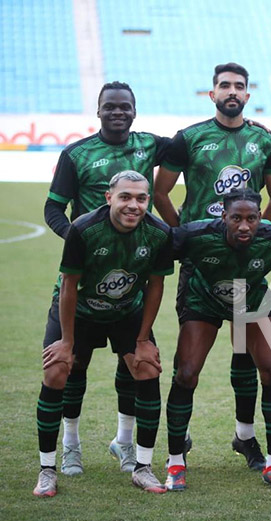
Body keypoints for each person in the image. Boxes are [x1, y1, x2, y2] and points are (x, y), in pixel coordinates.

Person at [154, 62, 271, 471]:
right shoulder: (189, 138)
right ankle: (178, 444)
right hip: (203, 267)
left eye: (239, 86)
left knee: (256, 359)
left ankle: (245, 437)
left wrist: (253, 237)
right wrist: (184, 237)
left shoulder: (265, 140)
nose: (232, 91)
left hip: (246, 269)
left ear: (248, 94)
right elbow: (161, 193)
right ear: (212, 94)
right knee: (187, 367)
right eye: (225, 85)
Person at [42, 82, 172, 476]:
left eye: (125, 107)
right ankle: (70, 445)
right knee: (73, 366)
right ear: (98, 110)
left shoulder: (149, 144)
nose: (118, 112)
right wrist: (79, 240)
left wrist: (250, 125)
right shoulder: (76, 154)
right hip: (86, 277)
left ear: (134, 111)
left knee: (135, 363)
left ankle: (124, 442)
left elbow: (193, 147)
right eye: (110, 107)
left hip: (130, 281)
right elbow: (53, 208)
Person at [34, 171, 174, 497]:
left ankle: (142, 467)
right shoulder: (84, 229)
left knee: (147, 368)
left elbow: (156, 286)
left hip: (126, 310)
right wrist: (66, 342)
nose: (133, 205)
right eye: (125, 197)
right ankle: (48, 469)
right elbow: (69, 285)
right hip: (79, 309)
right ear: (109, 198)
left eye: (141, 198)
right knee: (57, 370)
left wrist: (142, 341)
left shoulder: (159, 233)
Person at [164, 188, 271, 491]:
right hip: (204, 300)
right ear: (223, 216)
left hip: (252, 301)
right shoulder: (195, 234)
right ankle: (175, 463)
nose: (244, 226)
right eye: (236, 218)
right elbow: (159, 251)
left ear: (260, 217)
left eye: (251, 218)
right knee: (186, 373)